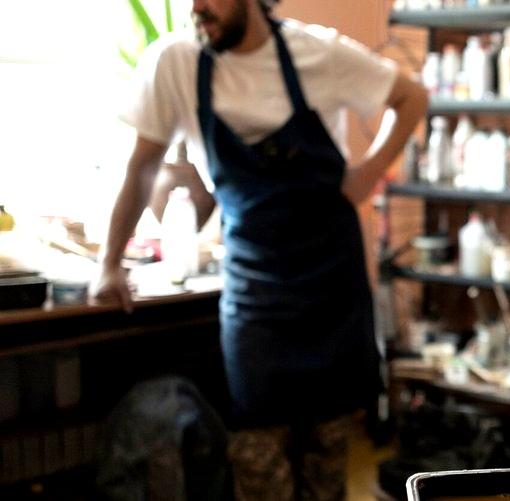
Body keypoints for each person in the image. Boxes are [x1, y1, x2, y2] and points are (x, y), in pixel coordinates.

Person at [90, 0, 428, 498]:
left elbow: (412, 97)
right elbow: (142, 165)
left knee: (325, 464)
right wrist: (108, 263)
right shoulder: (176, 62)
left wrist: (367, 176)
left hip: (330, 288)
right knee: (256, 459)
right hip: (255, 292)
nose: (197, 7)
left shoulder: (318, 53)